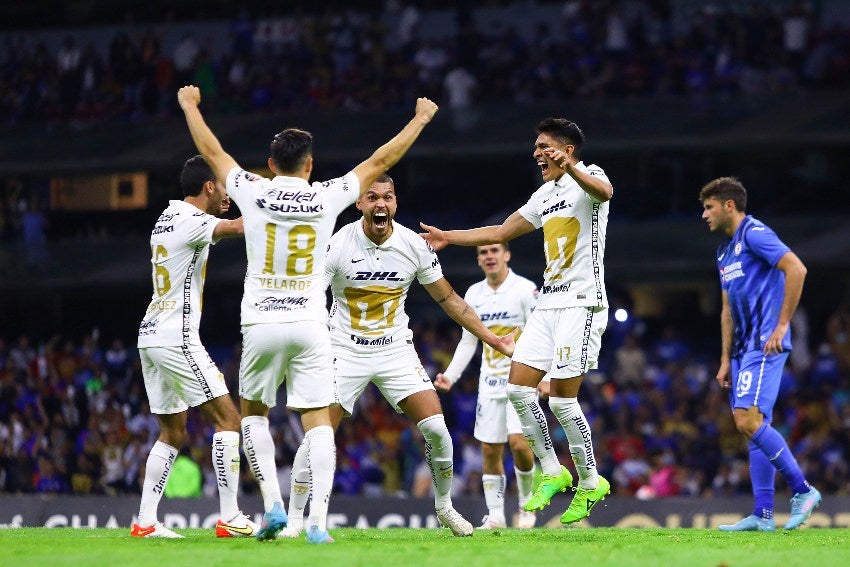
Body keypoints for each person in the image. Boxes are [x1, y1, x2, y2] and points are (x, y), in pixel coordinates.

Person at [178, 85, 438, 544]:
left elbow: (211, 150)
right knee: (318, 420)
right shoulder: (327, 196)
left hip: (261, 321)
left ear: (272, 164)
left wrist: (190, 107)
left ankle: (275, 507)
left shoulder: (251, 188)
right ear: (310, 165)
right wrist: (419, 120)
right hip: (311, 323)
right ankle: (317, 523)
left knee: (254, 413)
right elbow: (381, 162)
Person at [278, 174, 515, 538]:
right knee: (318, 434)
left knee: (437, 429)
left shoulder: (412, 245)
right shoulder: (339, 244)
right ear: (359, 204)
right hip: (344, 350)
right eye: (372, 197)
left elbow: (450, 299)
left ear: (395, 203)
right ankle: (295, 521)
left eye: (387, 197)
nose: (380, 204)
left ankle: (444, 507)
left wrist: (493, 340)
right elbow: (311, 295)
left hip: (394, 351)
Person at [420, 117, 613, 525]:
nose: (536, 153)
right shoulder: (545, 194)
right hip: (550, 303)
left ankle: (591, 479)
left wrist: (573, 166)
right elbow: (503, 230)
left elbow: (605, 192)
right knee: (518, 390)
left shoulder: (590, 175)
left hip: (582, 303)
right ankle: (553, 470)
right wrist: (449, 237)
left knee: (562, 400)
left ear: (566, 149)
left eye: (544, 146)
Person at [133, 155, 253, 539]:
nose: (228, 195)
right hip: (175, 336)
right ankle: (230, 516)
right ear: (208, 187)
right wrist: (282, 208)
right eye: (225, 187)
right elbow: (239, 227)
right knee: (228, 420)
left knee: (173, 431)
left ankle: (146, 522)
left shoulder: (166, 218)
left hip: (151, 334)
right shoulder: (193, 220)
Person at [699, 176, 822, 531]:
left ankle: (803, 490)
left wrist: (782, 325)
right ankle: (764, 515)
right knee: (754, 427)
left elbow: (796, 268)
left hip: (764, 344)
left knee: (747, 420)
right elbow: (726, 310)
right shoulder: (723, 252)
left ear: (729, 205)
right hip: (741, 350)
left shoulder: (754, 233)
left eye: (708, 207)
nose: (704, 215)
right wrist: (725, 359)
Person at [434, 242, 542, 529]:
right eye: (483, 252)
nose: (489, 256)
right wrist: (451, 375)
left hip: (522, 380)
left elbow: (542, 333)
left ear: (507, 254)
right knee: (490, 450)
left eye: (494, 250)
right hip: (489, 382)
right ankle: (495, 515)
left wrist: (545, 377)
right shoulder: (474, 294)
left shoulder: (524, 289)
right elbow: (469, 340)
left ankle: (526, 506)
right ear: (479, 260)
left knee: (519, 445)